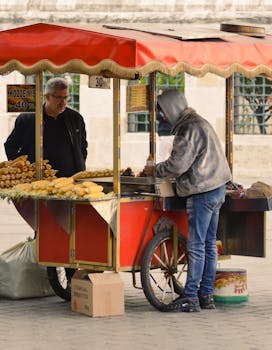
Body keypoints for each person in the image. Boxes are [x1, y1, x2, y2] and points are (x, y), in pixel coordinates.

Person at [144, 89, 232, 312]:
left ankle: (191, 297)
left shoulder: (187, 129)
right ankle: (206, 295)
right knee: (209, 245)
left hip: (202, 191)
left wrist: (154, 170)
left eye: (163, 112)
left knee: (197, 246)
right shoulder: (200, 122)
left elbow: (177, 165)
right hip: (217, 188)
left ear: (171, 108)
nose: (163, 117)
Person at [4, 77, 88, 177]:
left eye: (66, 97)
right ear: (47, 96)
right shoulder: (27, 119)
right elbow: (10, 146)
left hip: (69, 178)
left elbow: (82, 146)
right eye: (59, 97)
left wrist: (80, 164)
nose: (63, 102)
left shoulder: (75, 118)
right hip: (37, 178)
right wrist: (21, 169)